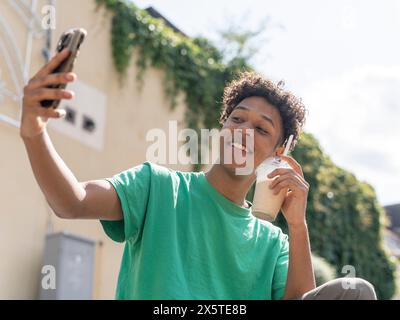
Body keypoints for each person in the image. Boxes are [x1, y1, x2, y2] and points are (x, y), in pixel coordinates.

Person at [21, 49, 377, 300]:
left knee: (355, 292)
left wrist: (298, 227)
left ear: (278, 154)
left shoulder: (273, 244)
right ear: (222, 127)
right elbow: (70, 201)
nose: (244, 131)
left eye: (261, 129)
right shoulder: (157, 187)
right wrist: (34, 130)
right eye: (237, 119)